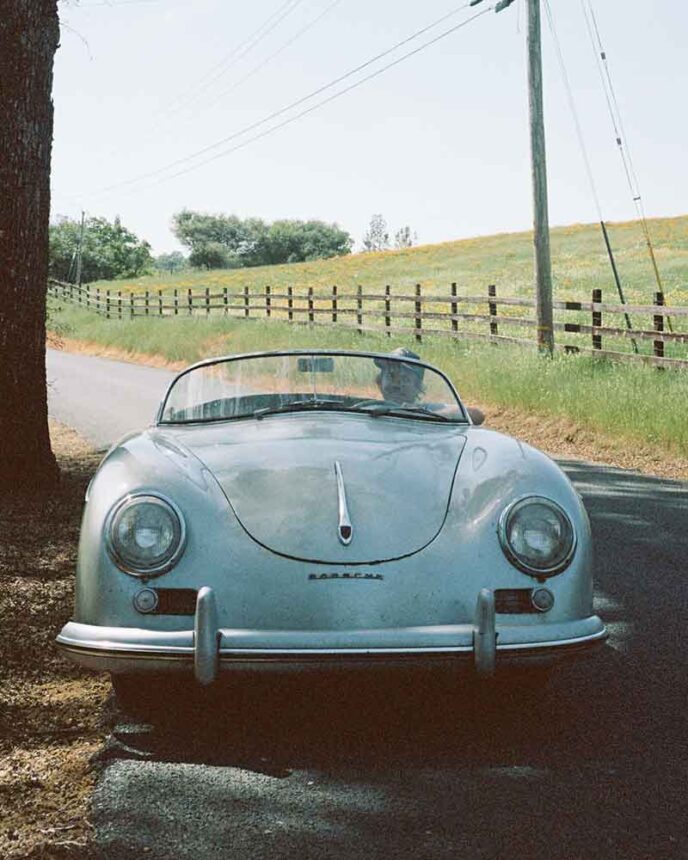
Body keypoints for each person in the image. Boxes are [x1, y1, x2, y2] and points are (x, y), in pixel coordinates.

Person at [373, 347, 485, 424]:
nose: (397, 385)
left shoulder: (426, 410)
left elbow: (476, 414)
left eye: (405, 379)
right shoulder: (366, 408)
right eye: (391, 376)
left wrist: (423, 415)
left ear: (418, 387)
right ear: (380, 382)